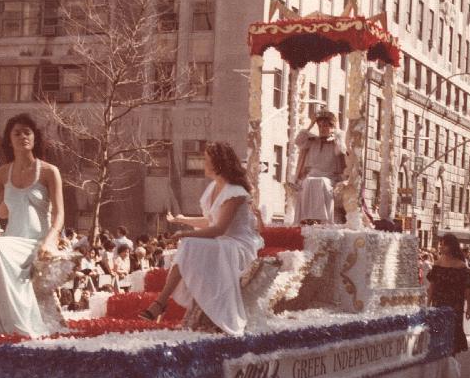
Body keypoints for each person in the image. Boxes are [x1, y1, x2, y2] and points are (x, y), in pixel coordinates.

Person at [140, 142, 264, 335]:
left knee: (188, 244)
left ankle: (161, 302)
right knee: (188, 245)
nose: (203, 164)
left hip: (237, 245)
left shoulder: (236, 192)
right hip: (222, 241)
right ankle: (161, 302)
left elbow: (219, 229)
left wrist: (185, 234)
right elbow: (210, 221)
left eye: (206, 160)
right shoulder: (214, 188)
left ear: (218, 164)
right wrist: (183, 221)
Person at [0, 113, 64, 336]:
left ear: (35, 138)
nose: (23, 136)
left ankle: (21, 324)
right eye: (17, 133)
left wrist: (50, 241)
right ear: (9, 139)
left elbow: (60, 214)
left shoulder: (48, 171)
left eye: (27, 132)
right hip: (11, 242)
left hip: (37, 242)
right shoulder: (2, 173)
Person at [293, 110, 347, 225]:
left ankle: (321, 219)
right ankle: (307, 219)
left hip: (330, 178)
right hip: (312, 175)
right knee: (307, 181)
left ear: (331, 127)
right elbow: (298, 141)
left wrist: (336, 129)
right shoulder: (312, 141)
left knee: (321, 182)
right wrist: (311, 124)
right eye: (320, 126)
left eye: (326, 126)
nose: (322, 128)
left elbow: (341, 150)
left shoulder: (335, 143)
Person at [427, 233, 470, 355]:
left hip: (455, 306)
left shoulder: (461, 266)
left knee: (452, 337)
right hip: (438, 304)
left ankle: (450, 364)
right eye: (440, 245)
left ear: (452, 247)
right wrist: (427, 304)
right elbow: (432, 286)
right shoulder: (437, 264)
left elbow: (467, 289)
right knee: (438, 335)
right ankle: (441, 364)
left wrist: (469, 308)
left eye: (444, 245)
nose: (441, 247)